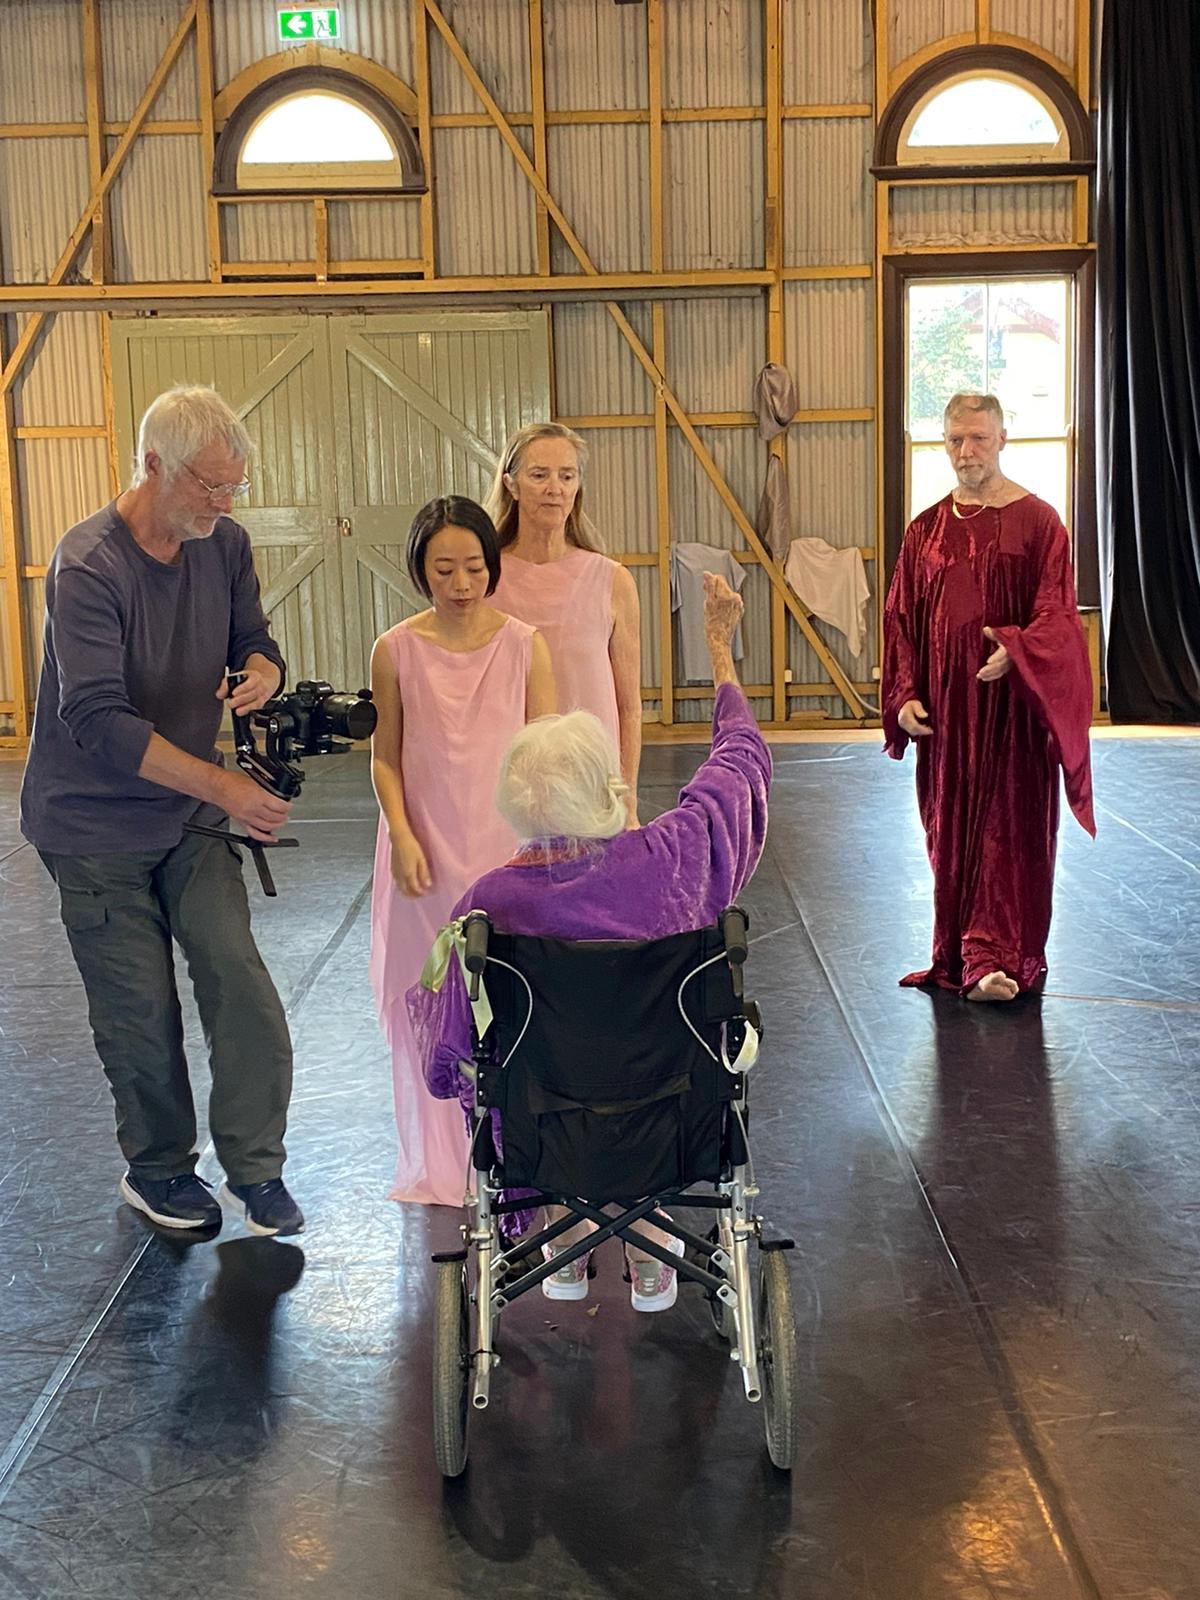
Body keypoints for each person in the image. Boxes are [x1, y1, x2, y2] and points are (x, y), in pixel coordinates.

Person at [408, 573, 769, 1311]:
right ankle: (658, 1238)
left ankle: (550, 1227)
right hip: (672, 1118)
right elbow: (739, 766)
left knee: (503, 1066)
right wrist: (720, 650)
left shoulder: (488, 904)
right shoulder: (679, 857)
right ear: (609, 790)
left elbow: (452, 1056)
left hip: (548, 1128)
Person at [19, 386, 303, 1236]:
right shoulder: (88, 566)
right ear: (152, 465)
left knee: (239, 979)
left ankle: (256, 1171)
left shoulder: (225, 545)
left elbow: (255, 637)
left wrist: (262, 672)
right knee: (139, 1011)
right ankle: (157, 1170)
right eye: (210, 486)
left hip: (183, 816)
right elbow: (97, 720)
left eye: (234, 487)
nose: (223, 504)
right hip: (91, 823)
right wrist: (225, 788)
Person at [369, 496, 555, 1207]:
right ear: (420, 571)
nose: (461, 581)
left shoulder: (523, 644)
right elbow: (385, 760)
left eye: (474, 565)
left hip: (506, 848)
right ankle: (443, 1164)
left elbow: (547, 753)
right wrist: (404, 835)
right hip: (425, 848)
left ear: (492, 565)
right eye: (443, 568)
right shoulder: (395, 649)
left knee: (514, 996)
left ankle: (519, 1152)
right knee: (430, 996)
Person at [882, 391, 1095, 1003]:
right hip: (948, 718)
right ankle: (959, 949)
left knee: (1009, 830)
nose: (966, 451)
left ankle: (994, 956)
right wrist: (902, 693)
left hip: (1012, 718)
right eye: (955, 440)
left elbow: (1057, 613)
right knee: (950, 831)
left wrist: (1020, 649)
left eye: (978, 438)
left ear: (1002, 438)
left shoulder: (1040, 523)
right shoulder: (924, 531)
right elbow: (900, 618)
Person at [485, 422, 642, 825]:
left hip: (591, 785)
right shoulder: (486, 580)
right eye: (539, 475)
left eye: (566, 476)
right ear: (512, 485)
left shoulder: (613, 580)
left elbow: (629, 706)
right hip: (510, 787)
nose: (554, 488)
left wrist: (628, 798)